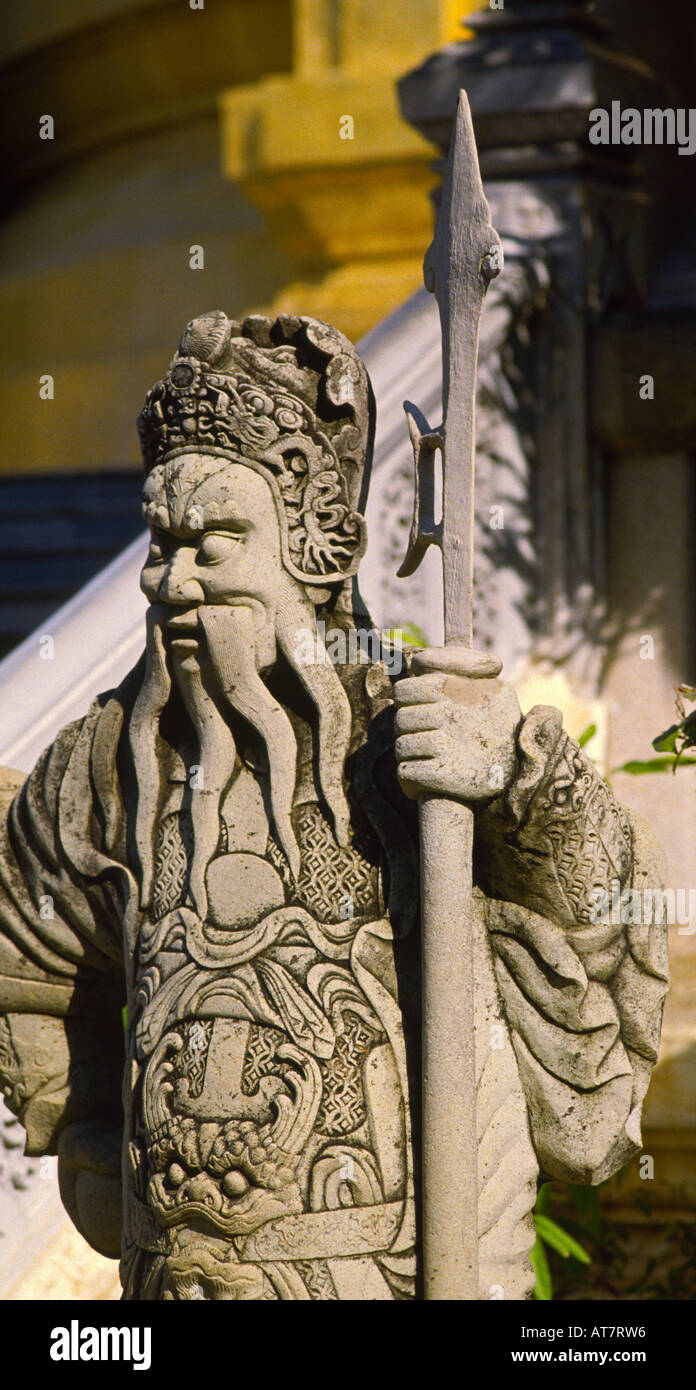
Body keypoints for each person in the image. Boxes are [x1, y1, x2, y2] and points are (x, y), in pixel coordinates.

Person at [0, 311, 668, 1299]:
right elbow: (32, 956)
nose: (172, 581)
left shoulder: (412, 739)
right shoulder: (105, 763)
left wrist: (525, 784)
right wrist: (83, 1119)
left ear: (312, 545)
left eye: (215, 544)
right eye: (161, 544)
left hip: (382, 1272)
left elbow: (596, 923)